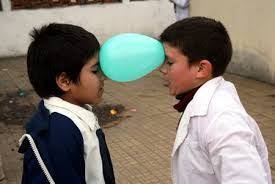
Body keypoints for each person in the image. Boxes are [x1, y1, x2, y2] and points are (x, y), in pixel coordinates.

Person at [159, 17, 272, 184]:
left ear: (201, 69)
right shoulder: (197, 102)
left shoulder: (224, 122)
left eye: (169, 62)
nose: (162, 70)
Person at [18, 23, 115, 184]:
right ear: (65, 81)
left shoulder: (74, 117)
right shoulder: (59, 131)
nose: (103, 77)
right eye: (95, 70)